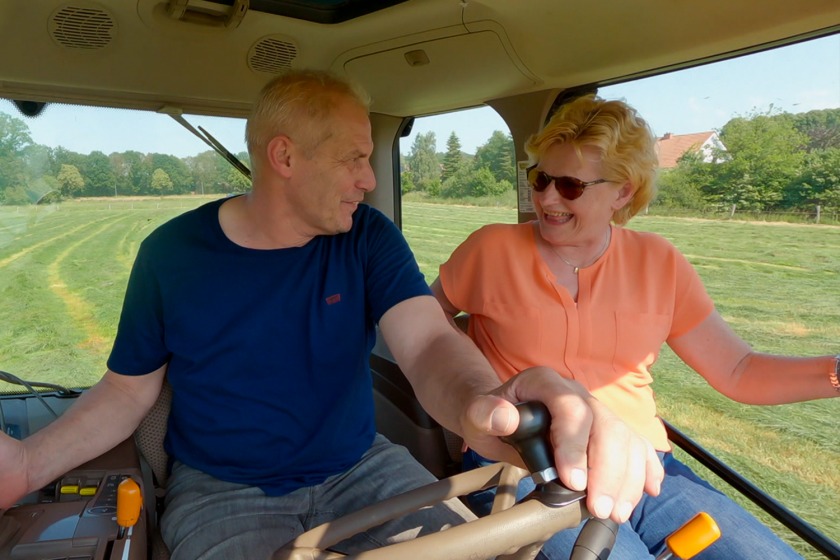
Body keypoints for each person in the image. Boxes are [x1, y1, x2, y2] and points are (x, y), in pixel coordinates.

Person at [0, 72, 664, 560]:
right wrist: (28, 466)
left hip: (365, 468)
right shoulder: (171, 255)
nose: (369, 178)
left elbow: (429, 343)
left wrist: (487, 403)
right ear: (285, 157)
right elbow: (126, 391)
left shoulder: (367, 239)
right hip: (225, 491)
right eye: (352, 157)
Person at [431, 94, 840, 560]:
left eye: (569, 186)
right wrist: (476, 382)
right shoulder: (491, 249)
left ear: (623, 191)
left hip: (647, 465)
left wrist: (837, 372)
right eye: (540, 178)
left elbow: (738, 369)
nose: (545, 198)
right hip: (524, 466)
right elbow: (428, 318)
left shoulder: (659, 263)